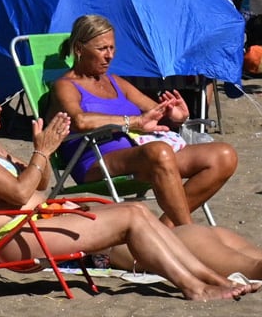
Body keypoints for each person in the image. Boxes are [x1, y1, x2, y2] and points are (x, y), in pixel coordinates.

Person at [0, 78, 255, 301]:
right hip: (13, 239)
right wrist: (42, 153)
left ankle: (214, 279)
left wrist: (43, 149)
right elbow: (19, 195)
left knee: (138, 211)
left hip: (32, 224)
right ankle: (195, 288)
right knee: (130, 215)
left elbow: (40, 183)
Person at [47, 15, 239, 227]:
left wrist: (175, 116)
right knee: (159, 152)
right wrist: (133, 122)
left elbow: (154, 111)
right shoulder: (66, 85)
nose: (109, 56)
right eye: (102, 49)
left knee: (223, 155)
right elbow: (80, 121)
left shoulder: (116, 82)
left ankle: (168, 225)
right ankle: (187, 231)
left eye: (112, 48)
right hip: (95, 160)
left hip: (144, 154)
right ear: (79, 49)